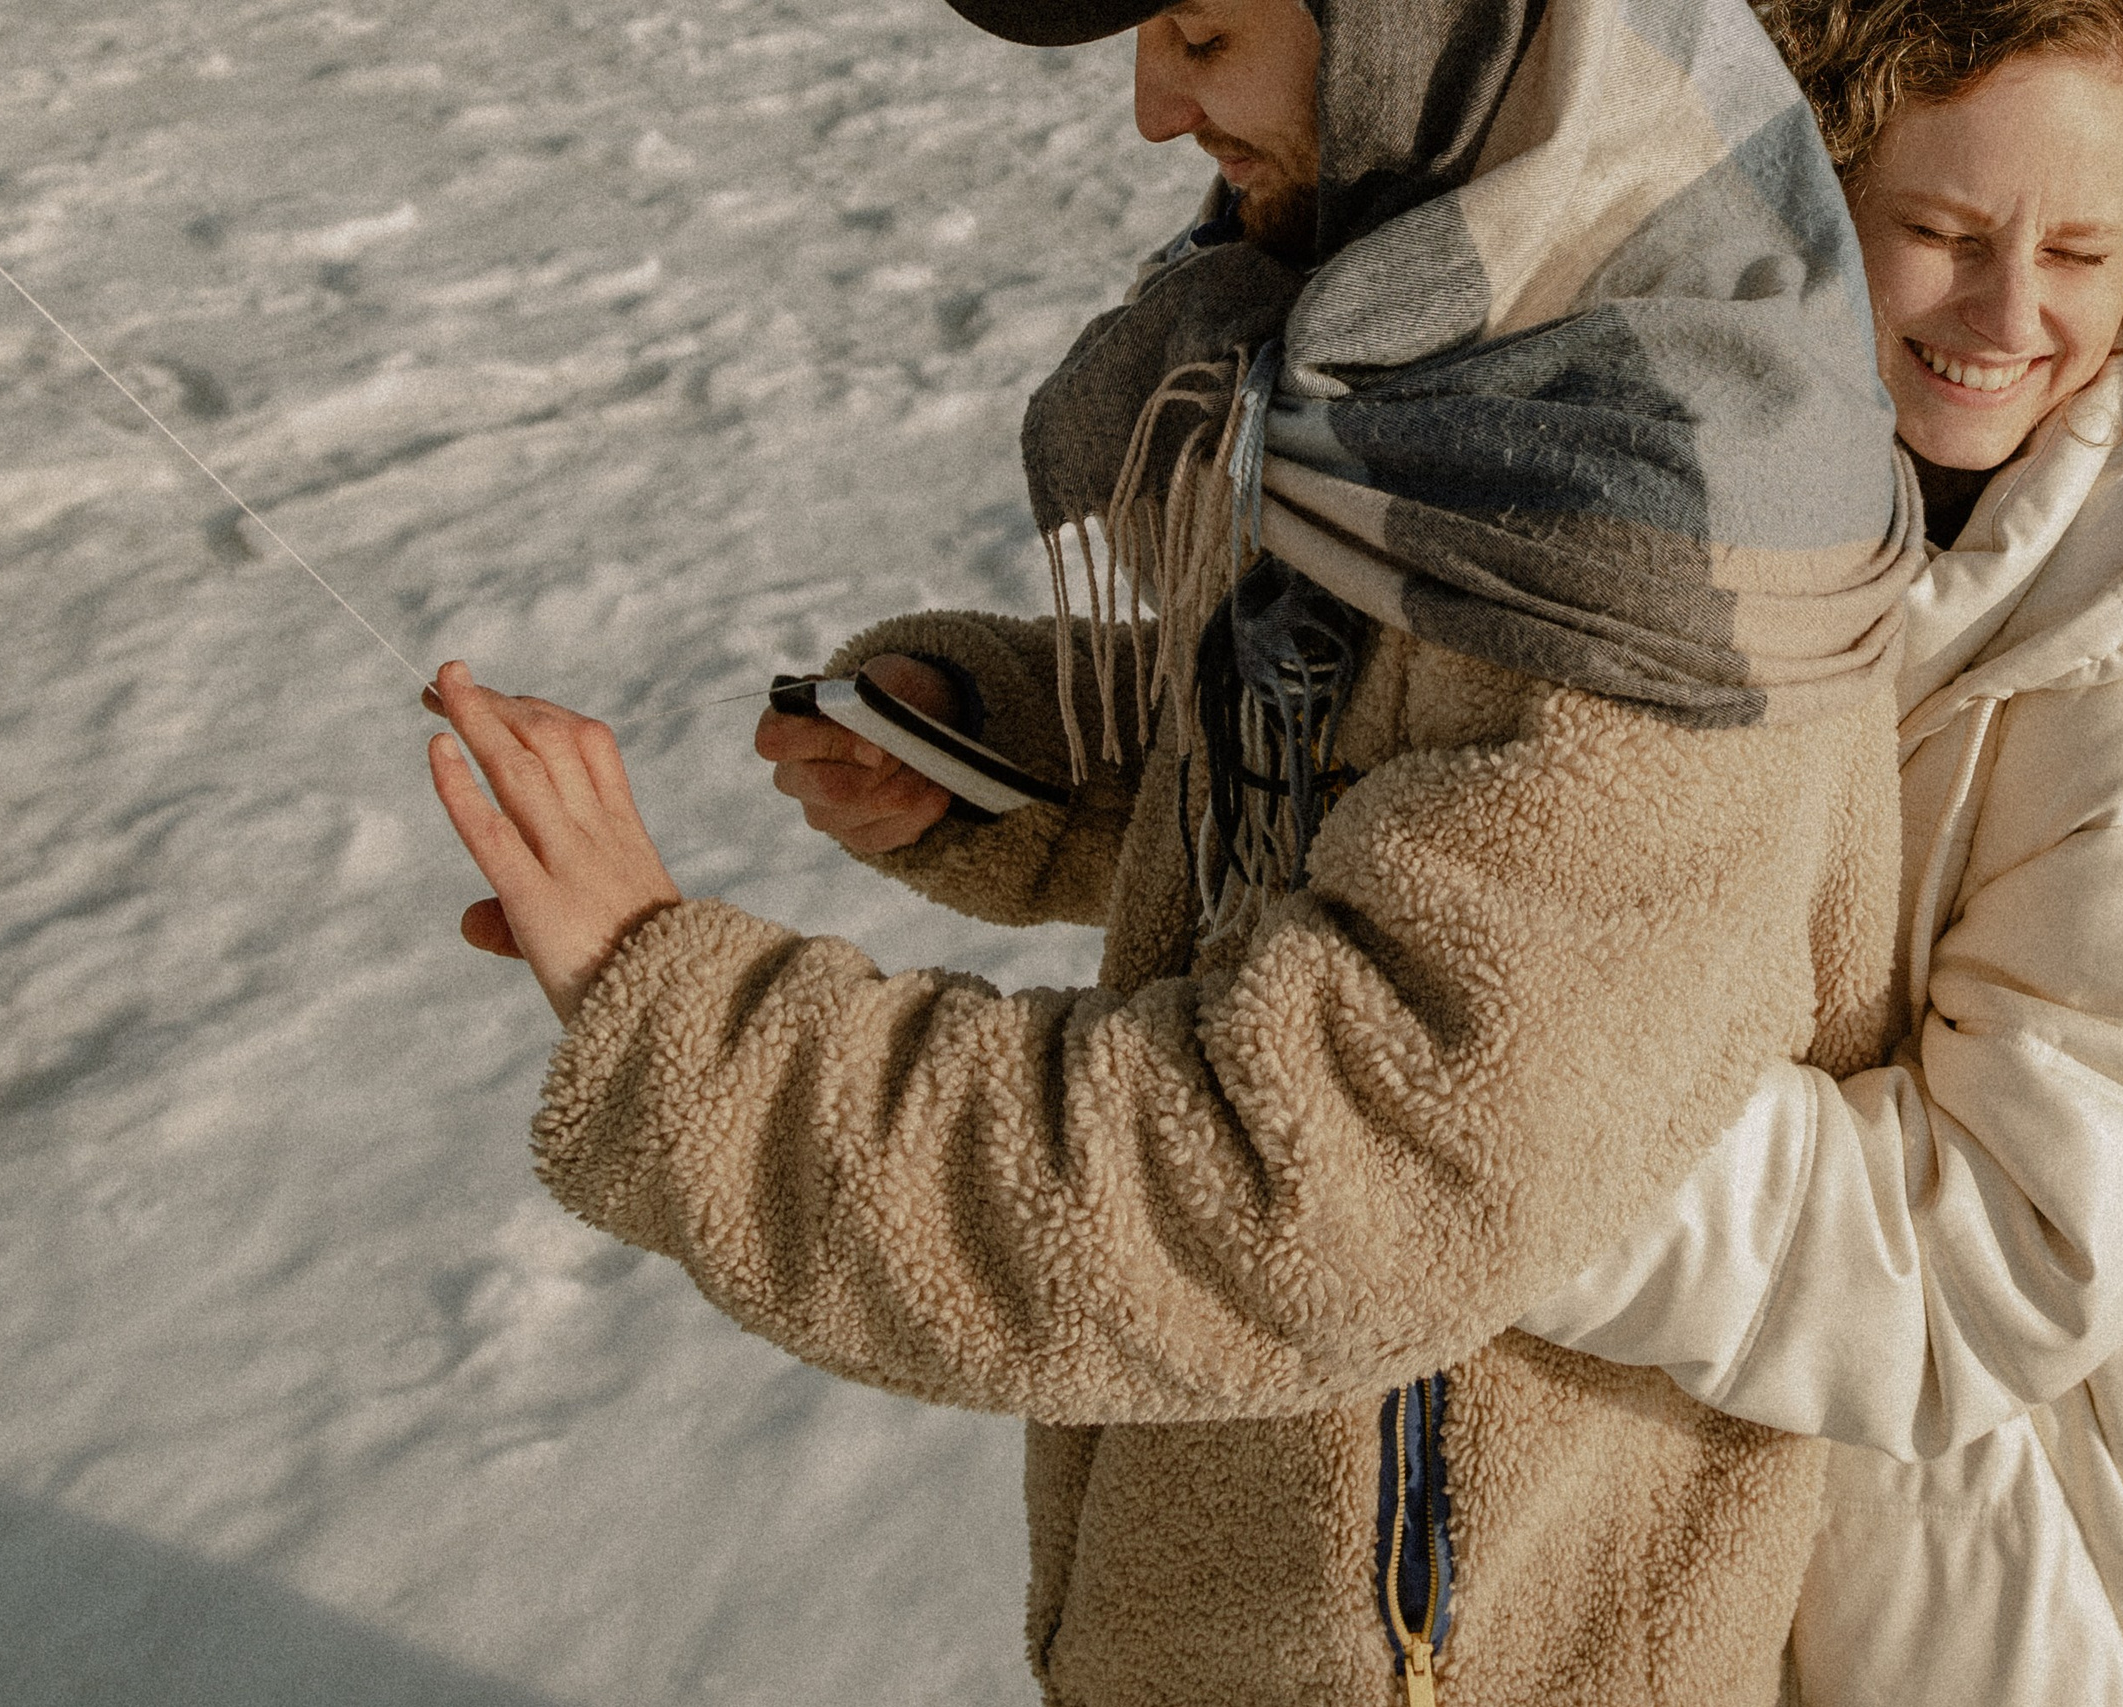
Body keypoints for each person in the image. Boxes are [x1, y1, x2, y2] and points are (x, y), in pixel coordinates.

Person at [424, 0, 1922, 1702]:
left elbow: (1290, 1199)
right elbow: (1370, 774)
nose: (1151, 111)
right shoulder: (1454, 337)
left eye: (1201, 29)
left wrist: (675, 1017)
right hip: (1268, 1592)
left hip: (1440, 1652)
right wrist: (1021, 756)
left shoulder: (1663, 522)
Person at [1514, 3, 2123, 1704]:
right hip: (1829, 1582)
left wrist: (1478, 1147)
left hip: (2071, 1631)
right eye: (1941, 234)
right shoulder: (1825, 544)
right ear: (1809, 204)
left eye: (2079, 248)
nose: (2009, 313)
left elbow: (1975, 1260)